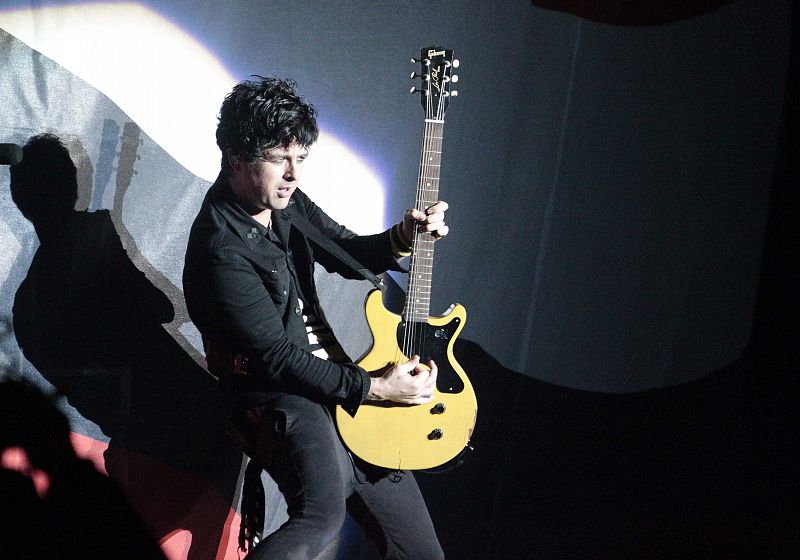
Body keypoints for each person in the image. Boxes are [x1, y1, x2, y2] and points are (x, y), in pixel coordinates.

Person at [182, 76, 448, 559]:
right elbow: (277, 358)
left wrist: (404, 235)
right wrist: (376, 388)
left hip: (337, 382)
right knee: (322, 515)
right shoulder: (219, 245)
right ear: (237, 157)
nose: (292, 174)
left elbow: (344, 248)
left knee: (421, 552)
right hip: (280, 395)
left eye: (300, 158)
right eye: (278, 159)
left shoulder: (284, 203)